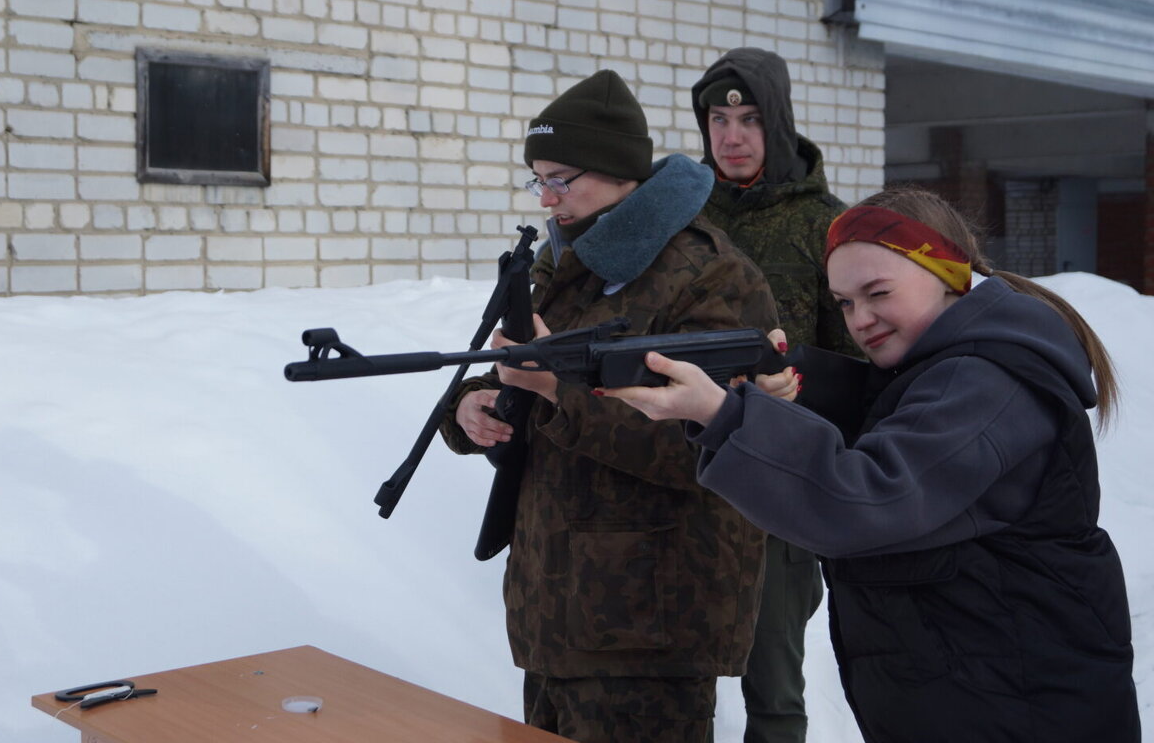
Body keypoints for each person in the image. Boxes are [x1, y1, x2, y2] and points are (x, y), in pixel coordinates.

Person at [601, 188, 1140, 742]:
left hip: (1023, 713)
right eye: (844, 302)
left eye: (877, 292)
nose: (861, 318)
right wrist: (793, 380)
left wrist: (726, 417)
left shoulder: (988, 382)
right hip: (980, 700)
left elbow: (865, 499)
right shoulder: (950, 369)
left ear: (950, 272)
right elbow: (893, 412)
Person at [439, 70, 782, 743]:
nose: (546, 196)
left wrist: (553, 393)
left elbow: (704, 445)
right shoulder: (561, 263)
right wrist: (472, 407)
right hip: (558, 609)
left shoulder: (711, 277)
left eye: (561, 178)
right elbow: (511, 367)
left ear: (621, 171)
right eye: (537, 179)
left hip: (650, 622)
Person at [691, 46, 861, 743]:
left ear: (779, 123)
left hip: (778, 490)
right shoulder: (677, 217)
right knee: (678, 679)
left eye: (751, 118)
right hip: (682, 484)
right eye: (718, 118)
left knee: (775, 695)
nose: (731, 136)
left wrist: (799, 387)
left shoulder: (828, 225)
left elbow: (861, 369)